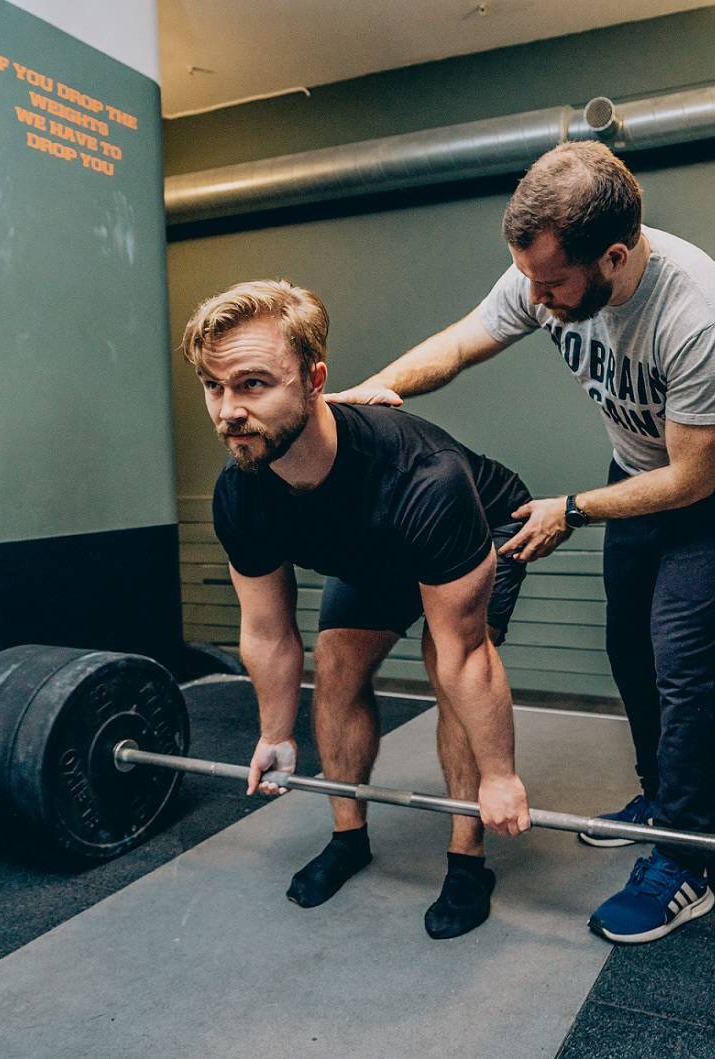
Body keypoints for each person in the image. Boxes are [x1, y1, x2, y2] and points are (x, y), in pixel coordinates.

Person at [328, 141, 715, 945]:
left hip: (713, 487)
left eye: (551, 284)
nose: (534, 297)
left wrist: (571, 508)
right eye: (527, 279)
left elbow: (694, 478)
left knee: (681, 659)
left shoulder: (703, 313)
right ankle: (660, 796)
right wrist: (372, 395)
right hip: (635, 469)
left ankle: (686, 857)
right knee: (628, 644)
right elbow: (462, 343)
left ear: (613, 255)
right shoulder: (544, 269)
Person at [181, 279, 534, 940]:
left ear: (315, 380)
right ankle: (349, 835)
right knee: (338, 662)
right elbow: (266, 629)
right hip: (373, 552)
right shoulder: (242, 491)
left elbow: (465, 654)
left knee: (443, 655)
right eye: (213, 385)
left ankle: (467, 858)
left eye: (253, 384)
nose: (227, 411)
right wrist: (275, 734)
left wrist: (501, 775)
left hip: (475, 527)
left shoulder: (423, 478)